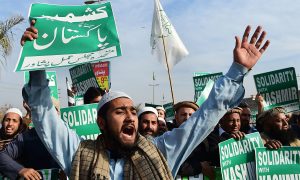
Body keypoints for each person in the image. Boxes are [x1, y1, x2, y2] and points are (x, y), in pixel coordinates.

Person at [21, 22, 270, 179]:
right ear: (101, 122)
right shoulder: (78, 153)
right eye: (120, 112)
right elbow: (44, 116)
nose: (130, 116)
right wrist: (37, 59)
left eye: (132, 110)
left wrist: (237, 71)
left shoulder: (162, 151)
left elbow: (204, 118)